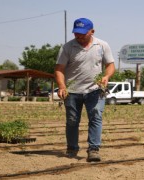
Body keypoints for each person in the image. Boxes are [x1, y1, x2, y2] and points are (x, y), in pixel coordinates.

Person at [55, 18, 115, 162]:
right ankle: (72, 148)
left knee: (96, 117)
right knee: (72, 120)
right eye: (76, 33)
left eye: (82, 33)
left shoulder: (102, 45)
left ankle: (93, 149)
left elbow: (110, 65)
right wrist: (62, 86)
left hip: (95, 89)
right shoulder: (67, 47)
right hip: (72, 90)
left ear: (92, 31)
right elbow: (59, 69)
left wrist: (106, 76)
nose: (79, 36)